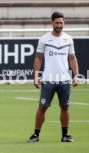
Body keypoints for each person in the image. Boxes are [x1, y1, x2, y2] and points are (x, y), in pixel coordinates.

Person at [27, 12, 79, 143]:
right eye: (57, 23)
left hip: (64, 80)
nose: (59, 25)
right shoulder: (44, 39)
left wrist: (76, 75)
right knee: (42, 108)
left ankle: (65, 135)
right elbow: (38, 58)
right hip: (48, 80)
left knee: (65, 107)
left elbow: (72, 58)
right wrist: (36, 75)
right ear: (52, 23)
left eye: (61, 23)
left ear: (64, 23)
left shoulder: (68, 39)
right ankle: (36, 134)